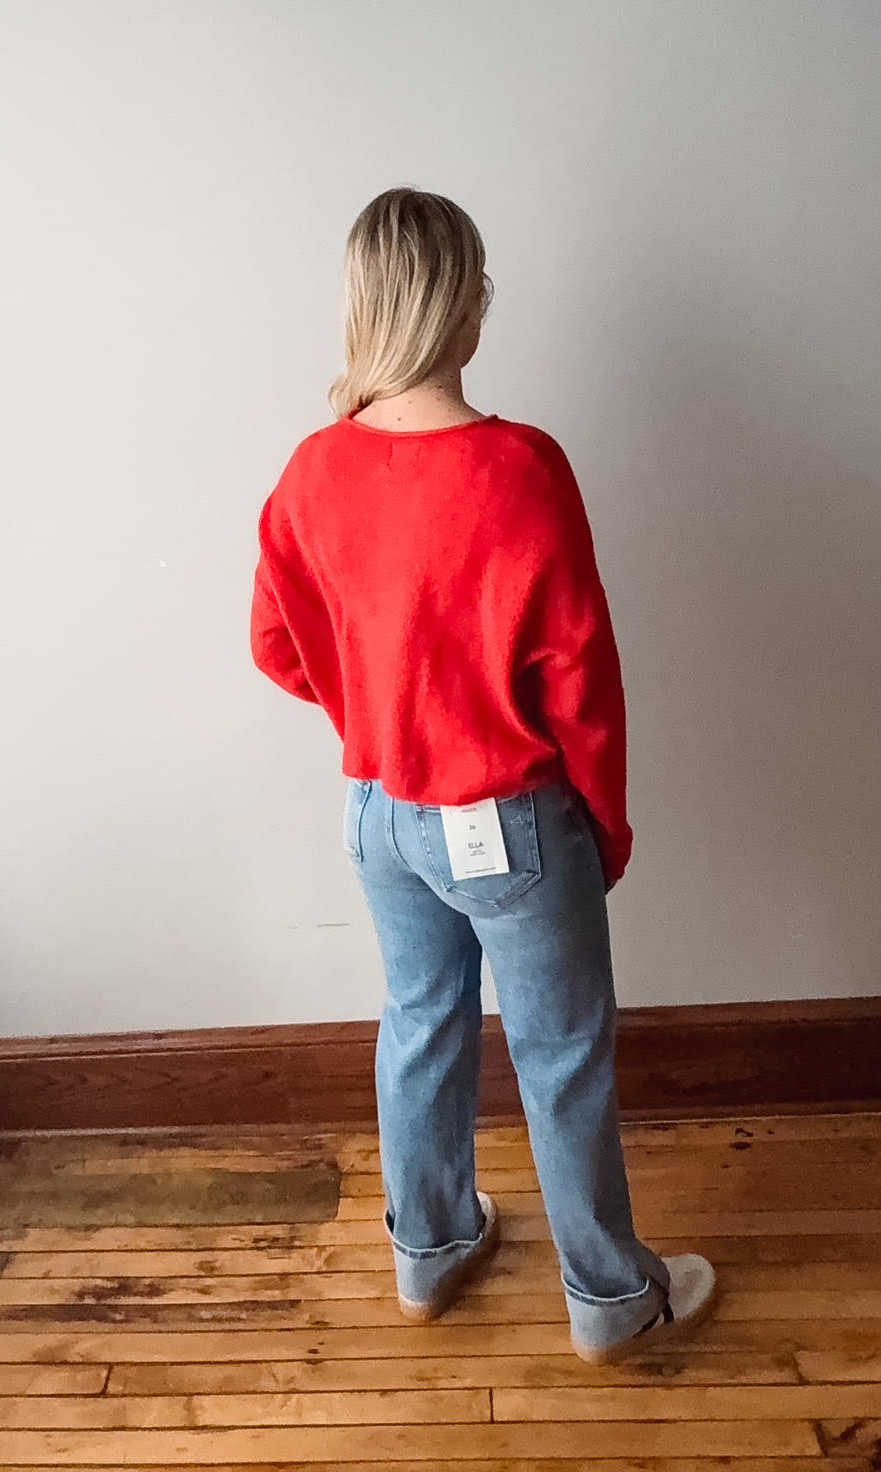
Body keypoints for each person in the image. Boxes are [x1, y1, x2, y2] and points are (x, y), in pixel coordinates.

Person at [250, 186, 715, 1363]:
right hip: (507, 821)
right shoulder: (518, 467)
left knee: (418, 1019)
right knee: (558, 1054)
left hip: (380, 811)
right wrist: (601, 828)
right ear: (464, 305)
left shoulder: (311, 471)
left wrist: (375, 712)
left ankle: (432, 1249)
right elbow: (580, 681)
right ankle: (611, 1300)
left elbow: (274, 644)